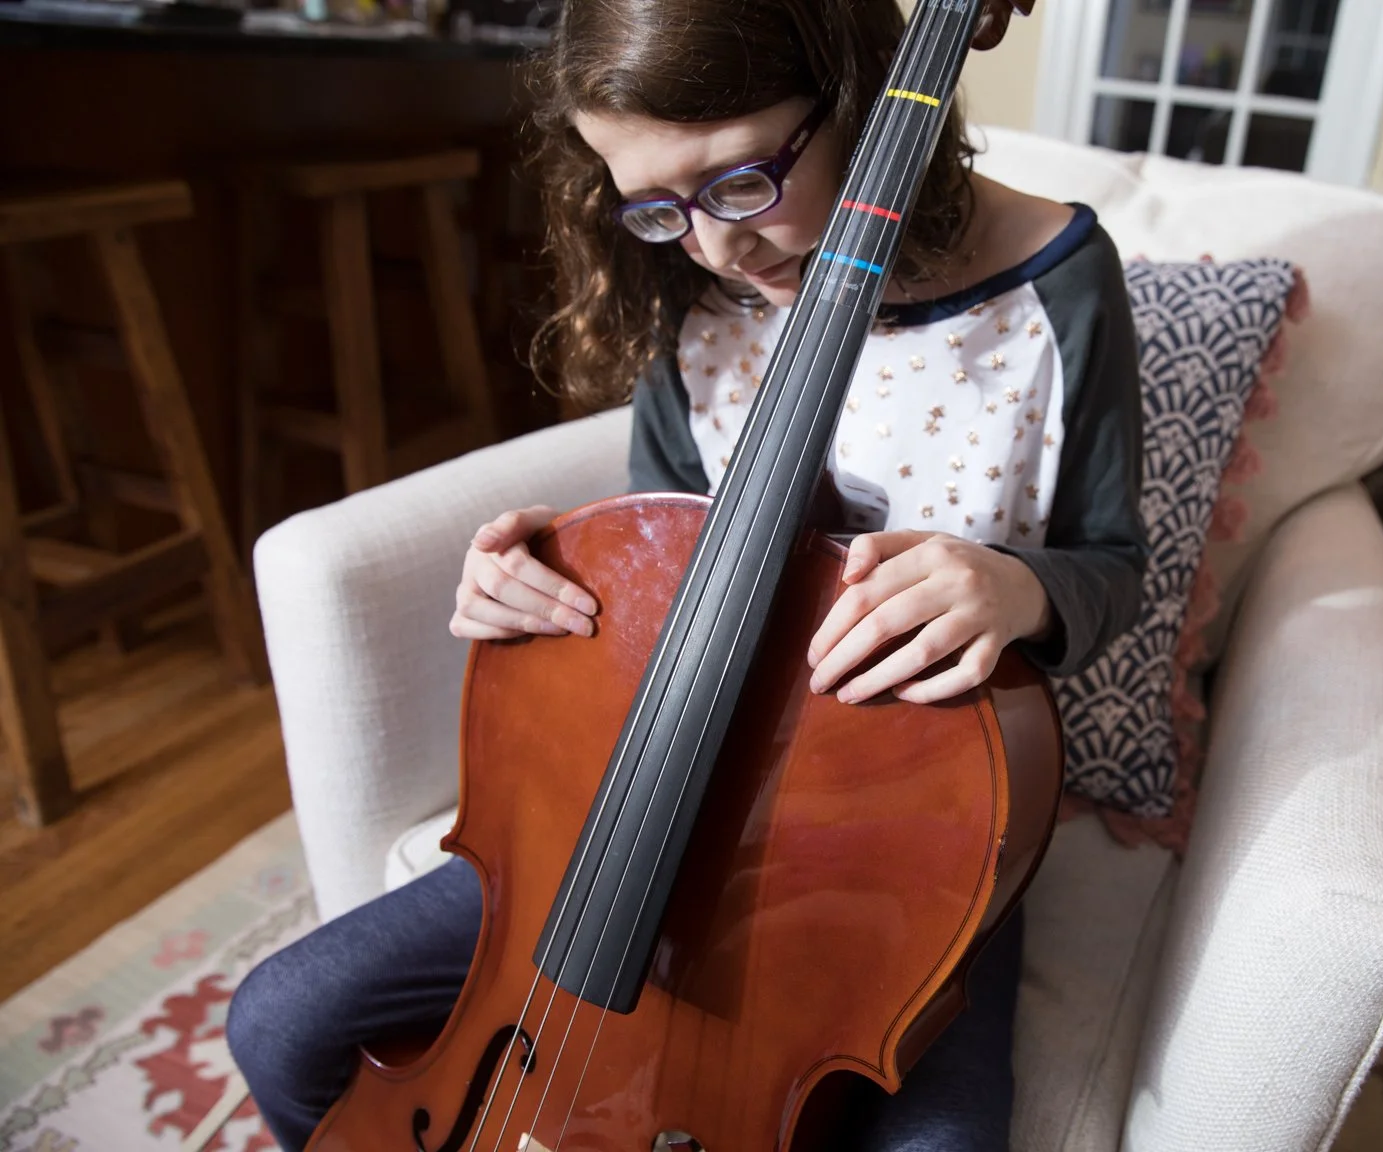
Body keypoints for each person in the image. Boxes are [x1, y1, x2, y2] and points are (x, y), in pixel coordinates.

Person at [226, 0, 1147, 1148]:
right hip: (646, 792)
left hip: (908, 830)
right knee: (281, 1019)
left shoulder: (1060, 280)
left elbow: (1115, 568)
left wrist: (1020, 589)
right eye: (655, 205)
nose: (714, 245)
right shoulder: (686, 291)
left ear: (856, 97)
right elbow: (669, 558)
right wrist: (542, 586)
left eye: (740, 182)